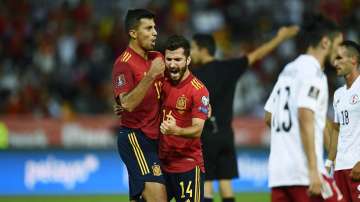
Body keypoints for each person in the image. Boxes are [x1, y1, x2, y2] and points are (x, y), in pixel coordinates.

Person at [190, 26, 299, 202]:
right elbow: (257, 55)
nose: (191, 53)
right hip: (226, 134)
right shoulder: (229, 67)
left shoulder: (194, 76)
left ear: (203, 50)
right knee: (226, 185)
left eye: (193, 48)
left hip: (206, 134)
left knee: (206, 184)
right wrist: (280, 38)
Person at [264, 15, 344, 202]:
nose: (339, 51)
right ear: (325, 42)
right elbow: (305, 115)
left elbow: (269, 117)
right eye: (337, 44)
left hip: (278, 174)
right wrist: (312, 170)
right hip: (303, 173)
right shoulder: (314, 72)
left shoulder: (288, 70)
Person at [111, 9, 167, 202]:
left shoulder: (156, 57)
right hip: (137, 138)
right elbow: (127, 103)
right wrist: (150, 75)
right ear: (133, 33)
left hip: (157, 139)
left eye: (155, 28)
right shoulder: (123, 64)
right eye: (149, 28)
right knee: (159, 197)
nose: (155, 32)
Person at [159, 35, 210, 202]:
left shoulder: (198, 90)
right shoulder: (160, 82)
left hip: (187, 165)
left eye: (178, 59)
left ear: (188, 60)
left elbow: (197, 130)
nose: (172, 64)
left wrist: (176, 130)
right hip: (162, 165)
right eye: (169, 59)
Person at [325, 40, 360, 202]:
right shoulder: (338, 94)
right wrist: (329, 162)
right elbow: (336, 129)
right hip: (340, 168)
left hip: (357, 166)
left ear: (354, 60)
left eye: (339, 58)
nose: (335, 62)